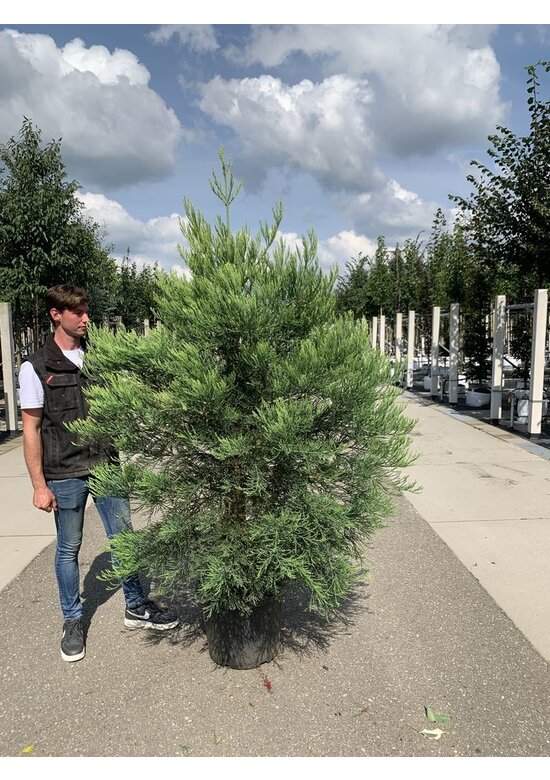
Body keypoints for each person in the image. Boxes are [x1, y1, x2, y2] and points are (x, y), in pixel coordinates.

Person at [19, 284, 179, 662]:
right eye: (78, 312)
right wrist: (39, 485)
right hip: (65, 471)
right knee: (68, 548)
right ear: (57, 314)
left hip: (106, 465)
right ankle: (72, 620)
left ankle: (136, 607)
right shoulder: (36, 366)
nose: (86, 318)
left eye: (87, 311)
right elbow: (30, 429)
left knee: (124, 540)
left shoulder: (99, 357)